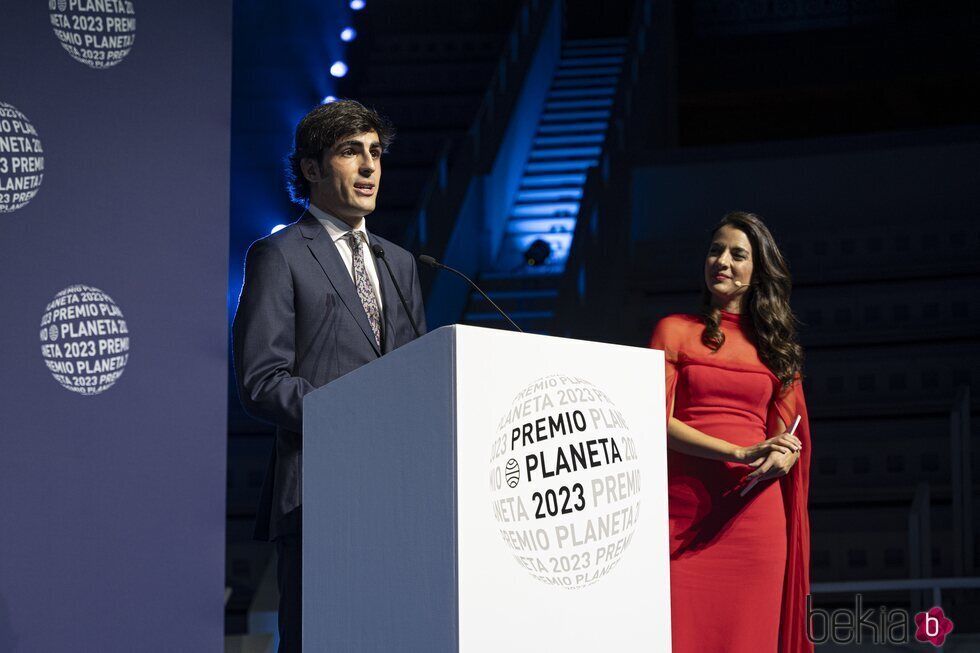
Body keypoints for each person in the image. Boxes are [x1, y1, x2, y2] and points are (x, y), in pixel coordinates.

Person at [233, 99, 427, 652]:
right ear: (312, 169)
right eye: (350, 153)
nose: (369, 167)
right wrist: (353, 417)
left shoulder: (400, 261)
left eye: (375, 153)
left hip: (399, 494)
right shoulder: (279, 254)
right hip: (319, 491)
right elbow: (262, 379)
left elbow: (415, 375)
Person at [648, 211, 812, 653]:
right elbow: (653, 421)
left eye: (737, 254)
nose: (721, 260)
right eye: (715, 250)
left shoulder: (777, 349)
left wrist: (784, 454)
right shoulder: (674, 330)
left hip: (754, 522)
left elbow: (786, 436)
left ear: (757, 271)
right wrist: (739, 452)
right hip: (682, 519)